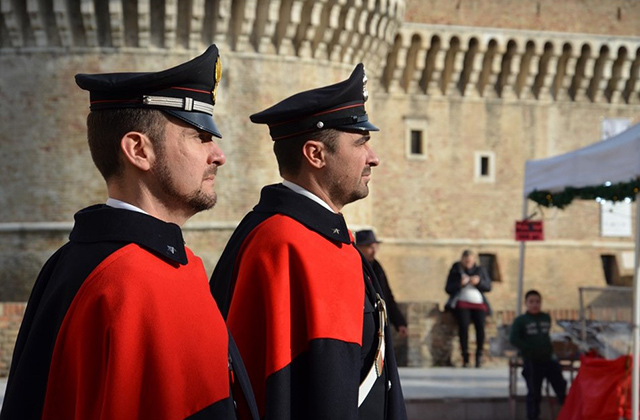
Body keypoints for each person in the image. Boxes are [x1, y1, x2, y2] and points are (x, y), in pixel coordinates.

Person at [0, 45, 258, 420]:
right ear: (139, 150)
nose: (217, 155)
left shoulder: (167, 263)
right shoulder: (116, 280)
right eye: (199, 136)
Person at [211, 64, 407, 420]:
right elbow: (270, 386)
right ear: (315, 155)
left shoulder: (323, 237)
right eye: (361, 142)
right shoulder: (281, 243)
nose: (373, 157)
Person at [510, 290, 567, 420]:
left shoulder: (545, 318)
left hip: (548, 359)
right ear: (526, 303)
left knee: (560, 384)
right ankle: (533, 416)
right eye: (531, 302)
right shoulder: (521, 321)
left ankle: (565, 412)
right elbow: (513, 338)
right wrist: (528, 348)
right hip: (532, 360)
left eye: (537, 302)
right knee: (534, 392)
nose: (535, 305)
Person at [355, 229, 408, 338]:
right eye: (370, 247)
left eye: (375, 247)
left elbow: (386, 296)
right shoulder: (355, 265)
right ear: (360, 247)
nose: (374, 251)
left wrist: (399, 322)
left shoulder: (377, 267)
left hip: (377, 322)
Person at [445, 249, 491, 368]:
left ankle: (479, 356)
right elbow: (448, 288)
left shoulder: (480, 270)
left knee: (480, 327)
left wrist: (478, 282)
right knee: (463, 326)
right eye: (466, 261)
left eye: (470, 261)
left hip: (478, 303)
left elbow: (488, 286)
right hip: (462, 303)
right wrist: (460, 284)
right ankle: (465, 356)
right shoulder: (456, 270)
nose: (468, 263)